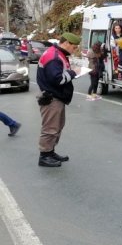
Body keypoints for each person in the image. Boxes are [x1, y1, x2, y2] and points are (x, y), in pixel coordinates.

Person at [36, 32, 81, 167]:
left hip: (55, 97)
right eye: (74, 47)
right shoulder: (54, 57)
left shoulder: (57, 53)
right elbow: (58, 79)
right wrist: (74, 73)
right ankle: (44, 156)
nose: (75, 50)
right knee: (50, 128)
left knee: (57, 126)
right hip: (52, 97)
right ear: (66, 43)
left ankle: (50, 152)